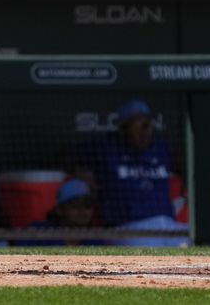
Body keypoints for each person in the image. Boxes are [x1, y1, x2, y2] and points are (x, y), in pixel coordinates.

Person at [75, 99, 188, 246]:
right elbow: (66, 157)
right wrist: (83, 175)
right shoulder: (106, 149)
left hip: (168, 224)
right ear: (123, 129)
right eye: (139, 125)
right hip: (127, 227)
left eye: (147, 124)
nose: (145, 131)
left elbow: (187, 166)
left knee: (201, 243)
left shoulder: (160, 148)